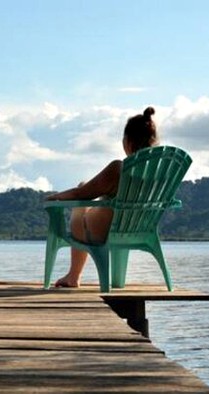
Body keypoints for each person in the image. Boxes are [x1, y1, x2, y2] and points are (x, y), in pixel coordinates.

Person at [45, 106, 158, 288]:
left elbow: (80, 194)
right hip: (138, 230)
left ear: (127, 142)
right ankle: (114, 280)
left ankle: (73, 276)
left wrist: (53, 198)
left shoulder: (118, 169)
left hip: (100, 232)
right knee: (102, 200)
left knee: (83, 185)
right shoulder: (159, 174)